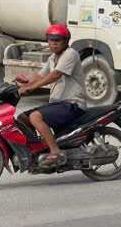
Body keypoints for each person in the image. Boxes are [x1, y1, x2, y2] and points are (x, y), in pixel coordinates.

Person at [16, 23, 87, 169]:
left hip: (72, 103)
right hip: (57, 104)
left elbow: (54, 75)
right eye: (50, 40)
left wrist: (32, 87)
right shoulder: (53, 58)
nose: (53, 43)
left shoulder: (70, 54)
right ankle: (37, 148)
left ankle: (55, 151)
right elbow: (40, 75)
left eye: (58, 40)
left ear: (66, 41)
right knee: (22, 117)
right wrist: (25, 82)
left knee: (35, 116)